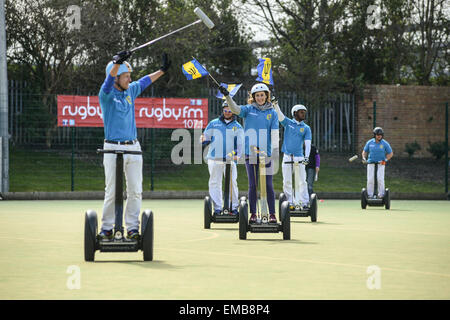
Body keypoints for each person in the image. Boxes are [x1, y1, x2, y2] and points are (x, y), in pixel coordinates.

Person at [97, 50, 171, 240]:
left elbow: (145, 81)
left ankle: (132, 228)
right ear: (115, 77)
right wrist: (116, 63)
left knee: (135, 191)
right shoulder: (105, 94)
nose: (129, 80)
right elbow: (107, 82)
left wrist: (162, 70)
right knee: (112, 191)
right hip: (111, 147)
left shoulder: (130, 90)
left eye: (130, 76)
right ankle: (106, 228)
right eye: (126, 76)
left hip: (133, 147)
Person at [220, 83, 279, 223]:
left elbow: (275, 134)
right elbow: (235, 109)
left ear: (266, 96)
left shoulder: (273, 112)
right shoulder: (248, 109)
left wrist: (275, 152)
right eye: (257, 95)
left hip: (267, 154)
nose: (260, 98)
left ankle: (272, 214)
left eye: (262, 95)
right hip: (250, 153)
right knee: (253, 185)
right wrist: (227, 96)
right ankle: (253, 213)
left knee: (269, 185)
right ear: (253, 97)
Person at [200, 101, 244, 215]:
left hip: (230, 159)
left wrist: (237, 156)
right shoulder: (214, 123)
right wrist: (203, 139)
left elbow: (240, 145)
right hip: (214, 158)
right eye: (225, 110)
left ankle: (233, 207)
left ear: (233, 111)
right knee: (215, 182)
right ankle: (218, 208)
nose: (227, 112)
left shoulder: (237, 126)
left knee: (232, 182)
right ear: (222, 110)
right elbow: (206, 138)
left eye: (230, 110)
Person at [273, 102, 312, 209]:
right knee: (287, 181)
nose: (303, 114)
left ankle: (304, 202)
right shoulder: (288, 123)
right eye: (301, 112)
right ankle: (290, 202)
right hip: (287, 156)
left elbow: (308, 144)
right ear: (295, 113)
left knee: (302, 181)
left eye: (304, 112)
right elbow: (280, 116)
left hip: (299, 156)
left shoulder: (306, 128)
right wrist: (275, 104)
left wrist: (306, 157)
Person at [361, 127, 394, 199]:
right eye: (377, 134)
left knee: (380, 179)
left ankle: (381, 195)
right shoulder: (369, 142)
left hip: (381, 163)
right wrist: (364, 158)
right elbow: (364, 152)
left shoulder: (385, 143)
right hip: (370, 163)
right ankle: (370, 195)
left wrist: (385, 160)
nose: (379, 136)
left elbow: (390, 153)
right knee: (370, 179)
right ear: (374, 135)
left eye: (381, 135)